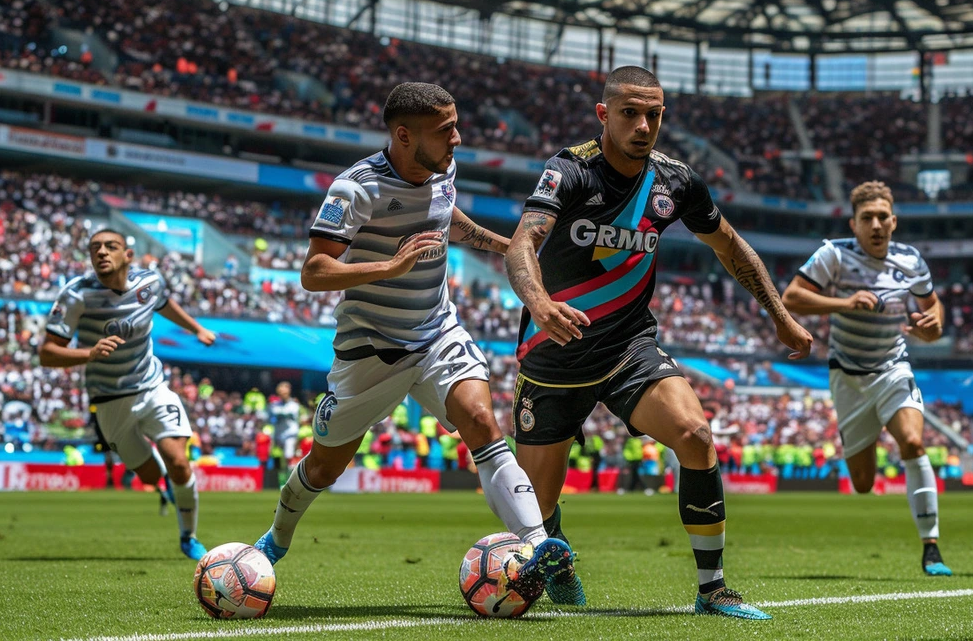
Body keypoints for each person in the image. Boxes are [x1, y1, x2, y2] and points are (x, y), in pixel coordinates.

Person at [505, 65, 813, 619]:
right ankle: (559, 558)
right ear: (604, 115)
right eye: (630, 113)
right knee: (537, 506)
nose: (643, 125)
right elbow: (522, 242)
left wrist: (779, 314)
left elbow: (731, 245)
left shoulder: (677, 182)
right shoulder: (568, 172)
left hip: (629, 348)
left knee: (695, 433)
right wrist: (539, 304)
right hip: (552, 353)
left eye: (654, 114)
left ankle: (713, 589)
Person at [252, 83, 571, 602]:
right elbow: (314, 271)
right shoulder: (354, 188)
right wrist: (391, 266)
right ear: (403, 135)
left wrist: (506, 247)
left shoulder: (443, 169)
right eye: (445, 129)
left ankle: (542, 549)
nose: (457, 138)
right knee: (324, 465)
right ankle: (276, 540)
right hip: (371, 350)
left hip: (437, 333)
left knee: (483, 422)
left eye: (456, 124)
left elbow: (447, 220)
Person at [781, 181, 951, 577]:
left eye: (882, 218)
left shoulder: (911, 260)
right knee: (861, 482)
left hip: (894, 368)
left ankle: (932, 548)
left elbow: (933, 312)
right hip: (849, 379)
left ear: (894, 221)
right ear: (853, 224)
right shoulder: (833, 254)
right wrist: (845, 301)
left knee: (912, 441)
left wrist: (932, 327)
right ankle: (864, 444)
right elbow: (791, 297)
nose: (876, 225)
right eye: (867, 218)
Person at [39, 229, 216, 560]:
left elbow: (164, 304)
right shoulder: (76, 295)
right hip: (109, 401)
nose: (102, 252)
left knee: (179, 461)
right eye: (95, 248)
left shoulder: (149, 282)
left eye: (111, 246)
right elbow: (47, 353)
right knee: (150, 475)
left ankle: (188, 536)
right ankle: (165, 489)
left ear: (128, 255)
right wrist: (89, 354)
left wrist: (197, 329)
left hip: (152, 386)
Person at [268, 381, 302, 470]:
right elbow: (271, 416)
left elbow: (290, 414)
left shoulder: (294, 404)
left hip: (290, 435)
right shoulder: (274, 405)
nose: (283, 394)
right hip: (278, 435)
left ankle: (290, 479)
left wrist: (280, 414)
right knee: (276, 458)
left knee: (288, 455)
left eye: (285, 392)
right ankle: (279, 480)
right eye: (281, 392)